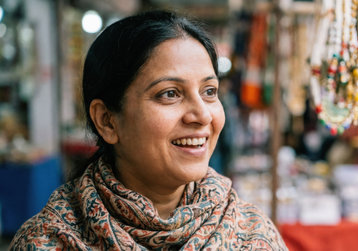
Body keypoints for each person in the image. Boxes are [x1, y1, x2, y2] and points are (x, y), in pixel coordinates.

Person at [10, 10, 287, 250]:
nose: (203, 114)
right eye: (169, 94)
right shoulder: (47, 241)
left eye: (209, 91)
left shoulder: (252, 235)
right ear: (107, 121)